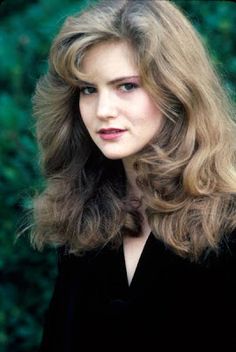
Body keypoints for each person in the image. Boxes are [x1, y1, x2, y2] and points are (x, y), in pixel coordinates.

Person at [31, 0, 236, 350]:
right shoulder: (83, 217)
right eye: (88, 90)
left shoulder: (228, 220)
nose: (103, 111)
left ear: (176, 89)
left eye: (126, 86)